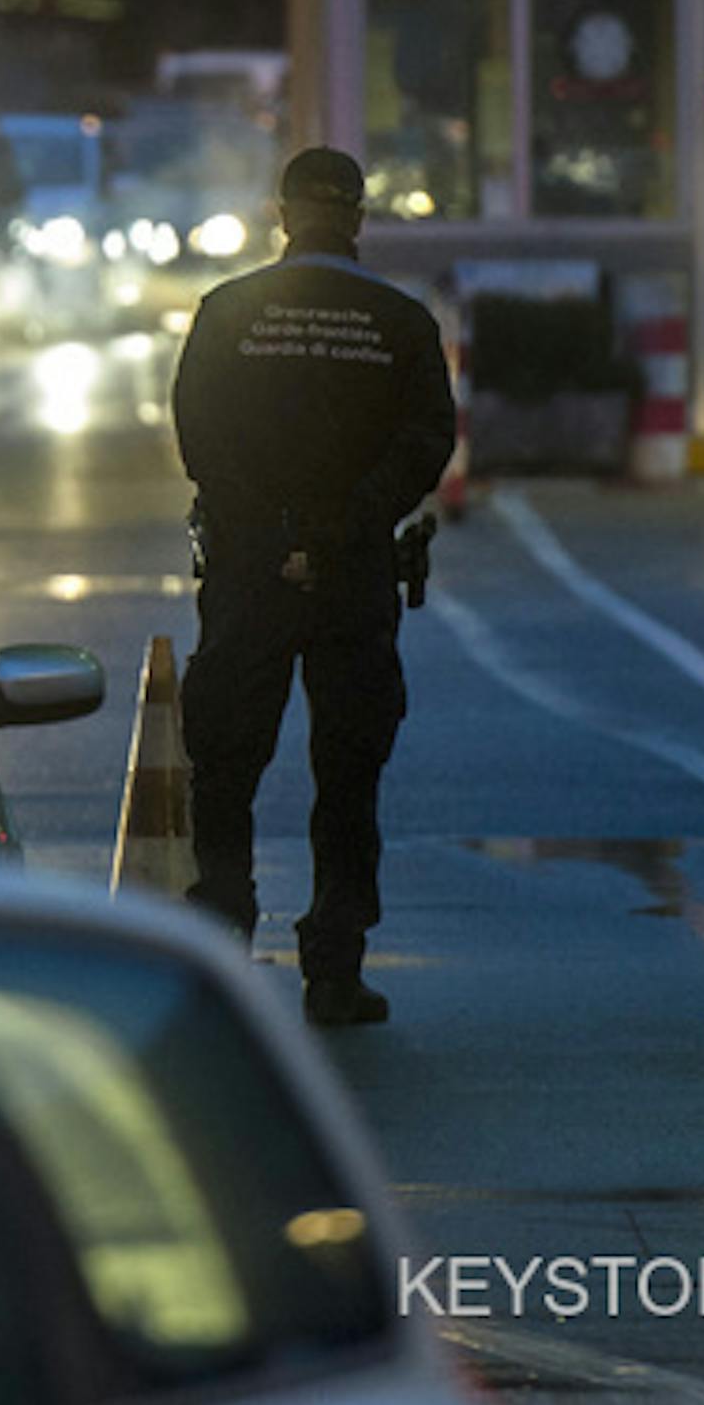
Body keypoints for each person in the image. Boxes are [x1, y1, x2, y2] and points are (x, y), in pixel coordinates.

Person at [170, 145, 457, 1028]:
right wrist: (352, 517)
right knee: (348, 770)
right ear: (358, 217)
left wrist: (266, 522)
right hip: (355, 572)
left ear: (284, 213)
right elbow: (427, 440)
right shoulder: (400, 323)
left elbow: (198, 435)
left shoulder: (227, 313)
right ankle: (334, 971)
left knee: (224, 764)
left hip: (249, 568)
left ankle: (219, 955)